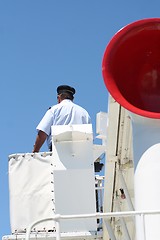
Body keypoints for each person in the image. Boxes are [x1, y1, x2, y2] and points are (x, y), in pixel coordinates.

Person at [32, 85, 91, 152]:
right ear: (72, 98)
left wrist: (35, 152)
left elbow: (43, 132)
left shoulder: (54, 109)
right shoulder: (84, 113)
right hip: (80, 153)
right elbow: (89, 138)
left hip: (57, 151)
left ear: (58, 97)